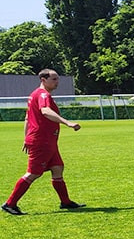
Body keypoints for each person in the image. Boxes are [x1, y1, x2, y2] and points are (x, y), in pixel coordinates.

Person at [3, 69, 85, 215]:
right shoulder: (43, 95)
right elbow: (45, 111)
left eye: (57, 79)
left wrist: (26, 137)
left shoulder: (34, 95)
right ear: (43, 80)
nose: (57, 82)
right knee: (33, 173)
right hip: (42, 141)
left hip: (47, 140)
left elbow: (28, 118)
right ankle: (10, 204)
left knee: (58, 168)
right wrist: (67, 123)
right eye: (54, 79)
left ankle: (65, 202)